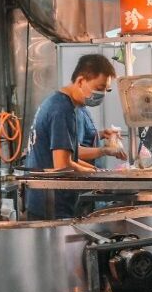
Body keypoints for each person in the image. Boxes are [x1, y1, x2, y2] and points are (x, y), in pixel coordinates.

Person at [24, 54, 117, 219]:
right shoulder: (61, 109)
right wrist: (97, 178)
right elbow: (62, 165)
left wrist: (97, 171)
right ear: (81, 81)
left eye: (106, 90)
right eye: (99, 88)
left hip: (50, 200)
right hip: (51, 205)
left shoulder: (63, 104)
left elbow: (70, 157)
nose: (101, 94)